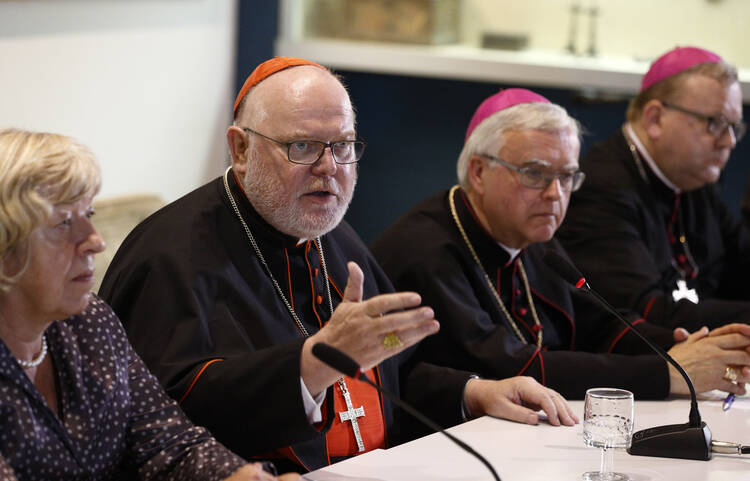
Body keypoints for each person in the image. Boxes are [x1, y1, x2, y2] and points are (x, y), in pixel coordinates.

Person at [99, 57, 577, 473]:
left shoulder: (335, 238)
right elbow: (163, 425)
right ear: (241, 149)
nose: (330, 167)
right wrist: (310, 367)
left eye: (343, 146)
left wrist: (475, 393)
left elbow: (390, 374)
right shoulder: (168, 256)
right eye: (302, 146)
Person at [370, 88, 750, 400]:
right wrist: (668, 372)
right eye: (535, 174)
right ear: (479, 172)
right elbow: (511, 367)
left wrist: (686, 346)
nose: (555, 194)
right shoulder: (427, 251)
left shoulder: (533, 238)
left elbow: (602, 325)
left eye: (567, 176)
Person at [0, 129, 299, 480]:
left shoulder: (90, 322)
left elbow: (166, 443)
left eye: (89, 215)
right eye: (64, 222)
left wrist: (242, 477)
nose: (95, 241)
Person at [557, 46, 750, 332]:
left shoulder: (692, 178)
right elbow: (648, 312)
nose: (729, 142)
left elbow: (742, 261)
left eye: (735, 127)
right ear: (655, 119)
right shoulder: (599, 190)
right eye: (716, 124)